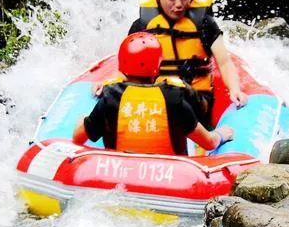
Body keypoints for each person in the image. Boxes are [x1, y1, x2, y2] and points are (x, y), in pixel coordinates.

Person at [128, 0, 249, 127]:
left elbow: (225, 62)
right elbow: (127, 67)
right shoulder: (142, 26)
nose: (179, 4)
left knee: (175, 93)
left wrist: (235, 89)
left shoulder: (204, 24)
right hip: (154, 99)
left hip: (196, 100)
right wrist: (109, 86)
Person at [73, 32, 233, 155]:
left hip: (119, 178)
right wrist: (221, 134)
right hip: (173, 181)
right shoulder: (174, 98)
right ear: (157, 67)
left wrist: (82, 120)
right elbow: (209, 142)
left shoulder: (110, 98)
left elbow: (77, 138)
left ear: (122, 66)